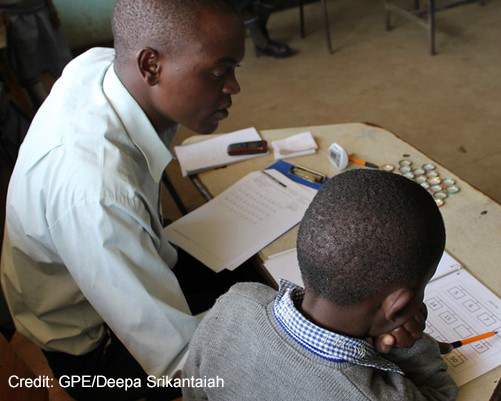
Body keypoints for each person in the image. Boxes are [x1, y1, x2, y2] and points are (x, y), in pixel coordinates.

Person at [0, 0, 249, 399]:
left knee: (256, 277)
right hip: (93, 351)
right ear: (150, 65)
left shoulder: (105, 65)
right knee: (273, 327)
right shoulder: (96, 192)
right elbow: (177, 361)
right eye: (220, 71)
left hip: (130, 253)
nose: (234, 86)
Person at [183, 169, 459, 401]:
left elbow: (193, 389)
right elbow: (440, 392)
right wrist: (410, 346)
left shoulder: (238, 301)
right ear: (397, 306)